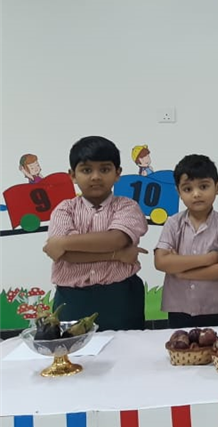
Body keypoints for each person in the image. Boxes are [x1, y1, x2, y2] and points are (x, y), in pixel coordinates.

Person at [43, 136, 149, 331]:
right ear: (72, 175)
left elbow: (116, 239)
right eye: (86, 170)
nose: (96, 177)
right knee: (73, 346)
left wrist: (63, 242)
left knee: (127, 346)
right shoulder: (64, 209)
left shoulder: (127, 206)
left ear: (118, 173)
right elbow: (66, 255)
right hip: (72, 297)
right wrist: (117, 256)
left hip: (120, 295)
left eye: (105, 169)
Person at [154, 155, 218, 328]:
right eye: (188, 189)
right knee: (182, 345)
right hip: (179, 308)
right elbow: (161, 261)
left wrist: (182, 271)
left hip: (217, 308)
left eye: (203, 186)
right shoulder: (173, 224)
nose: (196, 194)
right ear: (179, 192)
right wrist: (209, 259)